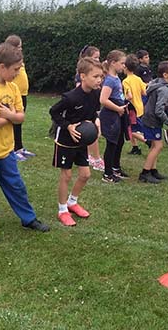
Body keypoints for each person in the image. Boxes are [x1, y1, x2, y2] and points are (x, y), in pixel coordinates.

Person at [0, 43, 50, 245]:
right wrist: (10, 116)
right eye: (15, 69)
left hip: (6, 150)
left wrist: (10, 115)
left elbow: (21, 117)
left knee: (17, 187)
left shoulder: (13, 87)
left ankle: (28, 219)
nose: (17, 73)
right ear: (1, 67)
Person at [49, 57, 103, 226]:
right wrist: (68, 126)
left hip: (81, 141)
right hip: (65, 141)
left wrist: (95, 122)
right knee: (66, 175)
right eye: (95, 76)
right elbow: (54, 112)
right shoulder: (71, 98)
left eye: (101, 76)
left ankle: (72, 202)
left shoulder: (96, 94)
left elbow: (93, 112)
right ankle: (62, 210)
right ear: (82, 76)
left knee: (85, 174)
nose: (99, 80)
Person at [140, 61, 168, 183]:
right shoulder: (163, 89)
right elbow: (159, 110)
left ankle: (153, 170)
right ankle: (145, 173)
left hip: (150, 117)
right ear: (165, 75)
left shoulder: (157, 82)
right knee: (158, 146)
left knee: (153, 145)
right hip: (152, 120)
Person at [99, 50, 129, 183]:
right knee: (111, 143)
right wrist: (117, 108)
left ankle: (116, 167)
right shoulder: (109, 80)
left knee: (120, 141)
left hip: (119, 113)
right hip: (111, 115)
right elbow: (103, 99)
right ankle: (107, 173)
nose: (124, 66)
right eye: (122, 63)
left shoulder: (116, 78)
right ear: (113, 63)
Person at [5, 34, 36, 161]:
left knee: (19, 122)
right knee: (13, 123)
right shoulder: (8, 62)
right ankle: (12, 149)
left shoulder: (19, 61)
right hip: (13, 96)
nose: (21, 49)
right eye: (19, 47)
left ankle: (19, 147)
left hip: (22, 95)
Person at [78, 45, 105, 171]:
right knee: (92, 130)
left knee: (93, 130)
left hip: (93, 105)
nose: (98, 60)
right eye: (96, 58)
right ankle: (96, 158)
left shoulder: (95, 74)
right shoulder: (82, 76)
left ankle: (90, 156)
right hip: (85, 107)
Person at [122, 54, 147, 155]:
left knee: (130, 130)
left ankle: (147, 141)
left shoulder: (126, 81)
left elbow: (129, 96)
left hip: (132, 109)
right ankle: (135, 147)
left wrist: (122, 99)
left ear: (125, 67)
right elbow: (144, 92)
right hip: (140, 107)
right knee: (132, 127)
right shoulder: (138, 79)